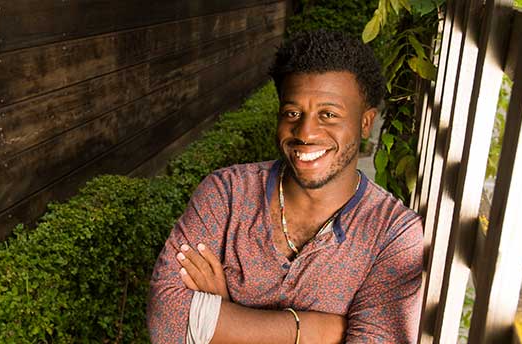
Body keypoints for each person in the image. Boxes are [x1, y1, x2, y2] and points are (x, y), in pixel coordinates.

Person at [146, 30, 423, 343]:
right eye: (293, 113)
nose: (305, 131)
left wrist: (223, 316)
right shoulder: (226, 193)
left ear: (365, 122)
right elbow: (166, 319)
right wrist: (319, 331)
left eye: (328, 115)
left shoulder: (392, 234)